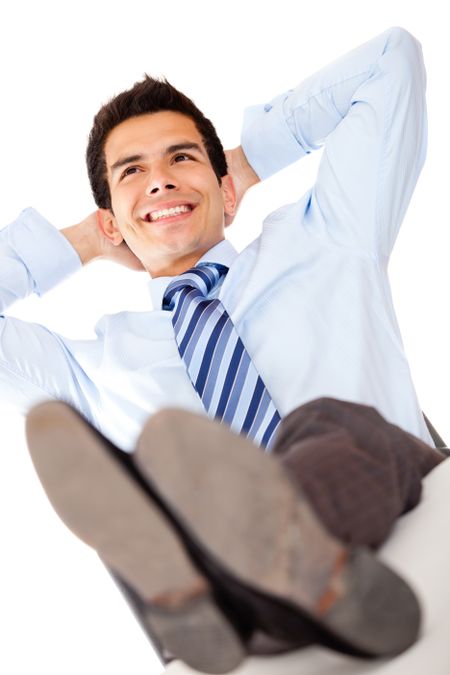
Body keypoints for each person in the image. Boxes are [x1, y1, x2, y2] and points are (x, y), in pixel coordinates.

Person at [1, 25, 445, 674]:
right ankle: (253, 582)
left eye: (181, 157)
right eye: (132, 173)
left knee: (328, 425)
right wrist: (84, 242)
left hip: (396, 490)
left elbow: (393, 62)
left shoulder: (328, 238)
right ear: (110, 219)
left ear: (226, 186)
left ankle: (226, 578)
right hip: (285, 596)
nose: (158, 180)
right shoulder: (96, 369)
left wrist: (246, 161)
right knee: (164, 468)